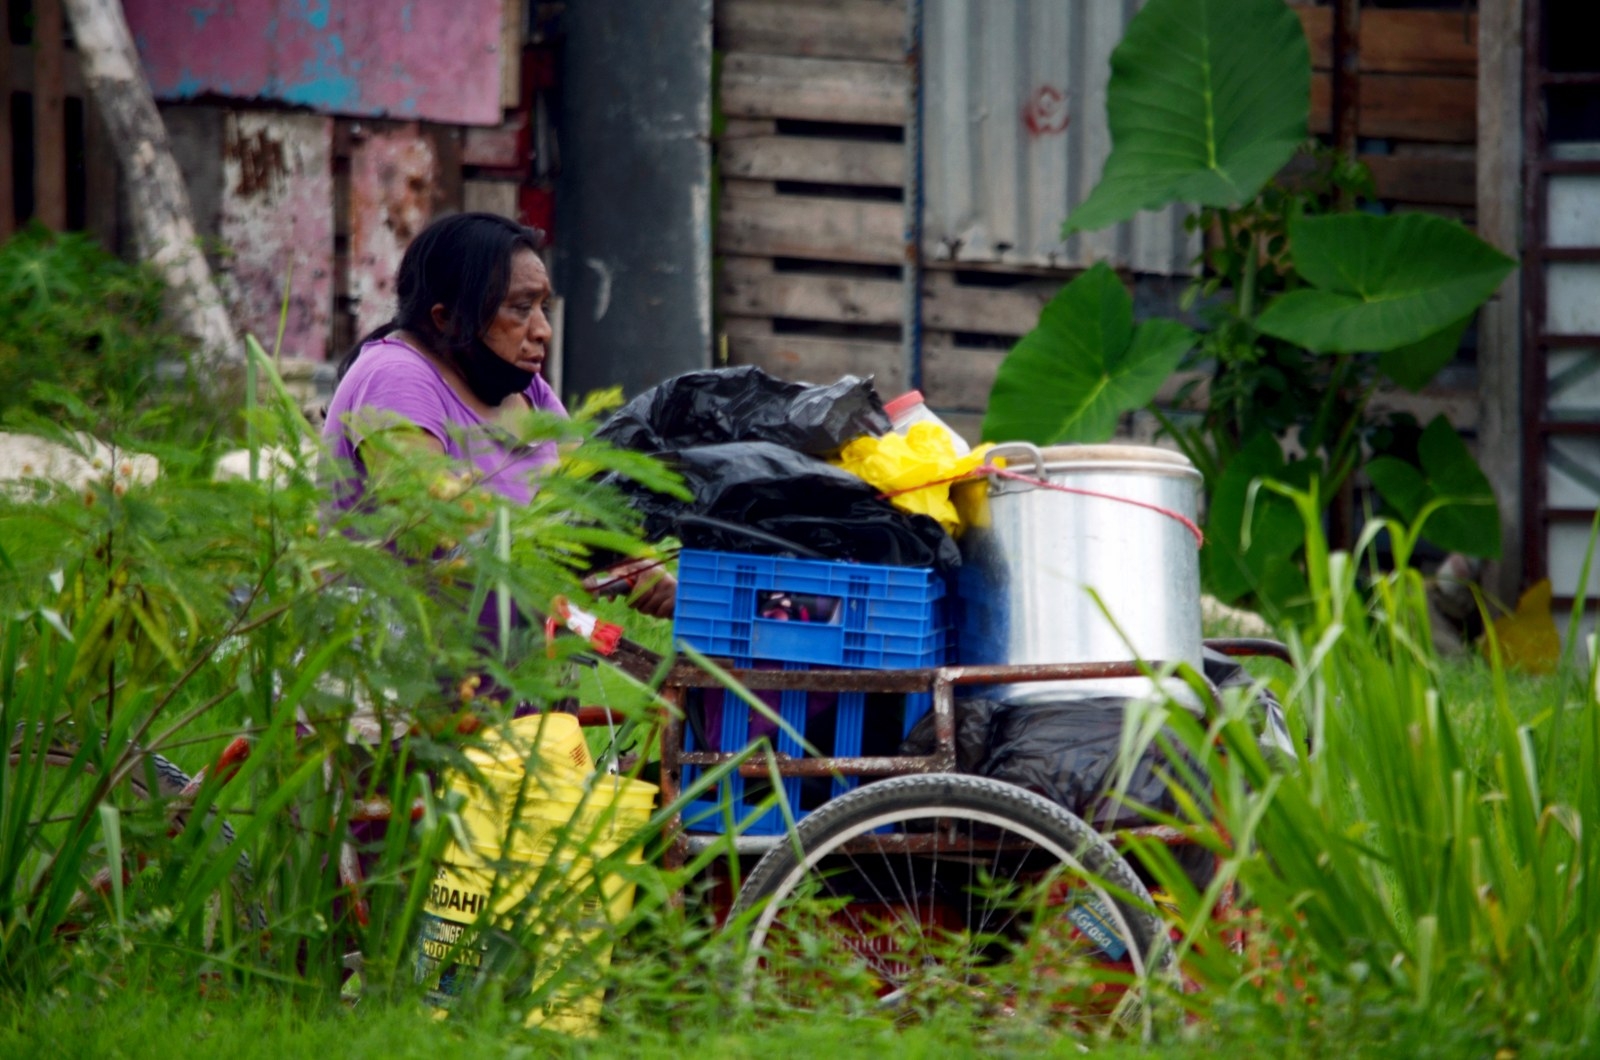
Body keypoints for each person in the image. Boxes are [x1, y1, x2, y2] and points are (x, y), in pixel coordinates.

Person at [322, 211, 675, 619]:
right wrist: (563, 549)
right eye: (521, 308)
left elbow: (591, 503)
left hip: (506, 667)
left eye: (543, 307)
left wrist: (634, 562)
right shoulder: (396, 376)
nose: (543, 329)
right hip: (395, 661)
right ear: (447, 318)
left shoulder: (527, 391)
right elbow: (430, 518)